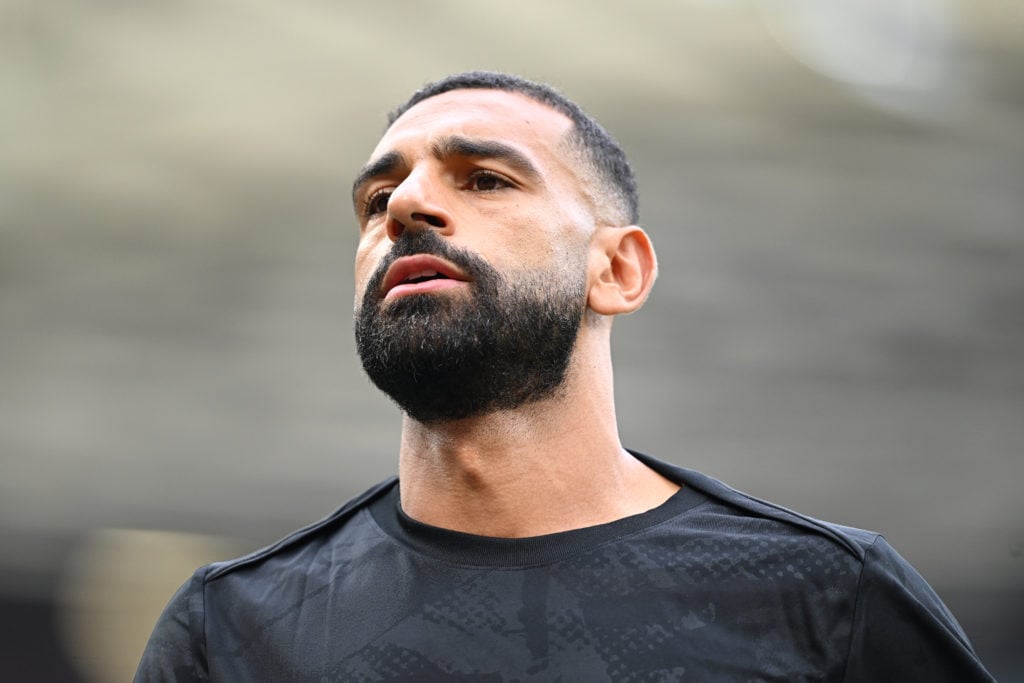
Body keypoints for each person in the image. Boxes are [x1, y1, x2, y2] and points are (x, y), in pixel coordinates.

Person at [135, 71, 994, 682]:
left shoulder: (824, 595)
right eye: (375, 200)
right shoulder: (233, 627)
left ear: (617, 270)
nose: (403, 208)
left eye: (485, 178)